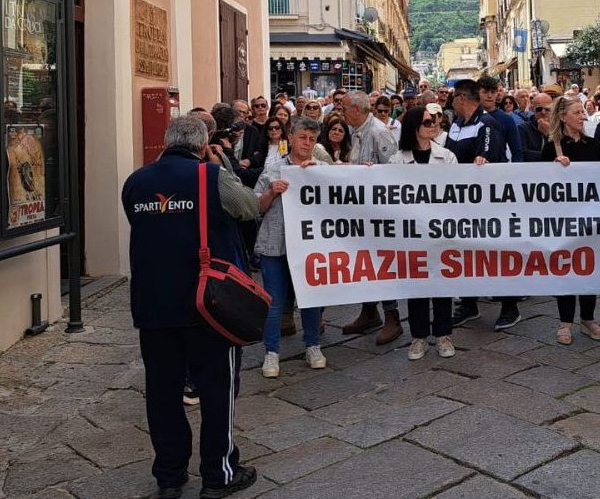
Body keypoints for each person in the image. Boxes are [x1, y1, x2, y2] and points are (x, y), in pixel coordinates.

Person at [121, 116, 259, 498]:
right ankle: (219, 474)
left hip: (152, 303)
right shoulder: (210, 177)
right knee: (217, 390)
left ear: (166, 142)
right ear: (202, 145)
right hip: (208, 304)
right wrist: (219, 166)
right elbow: (248, 209)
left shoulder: (136, 182)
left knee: (163, 392)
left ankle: (169, 475)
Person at [256, 117, 328, 375]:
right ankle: (271, 352)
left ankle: (313, 345)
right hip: (275, 245)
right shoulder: (274, 169)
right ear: (291, 138)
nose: (307, 143)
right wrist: (271, 192)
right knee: (274, 301)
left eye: (312, 139)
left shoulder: (321, 168)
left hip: (309, 246)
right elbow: (256, 207)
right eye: (302, 138)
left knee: (310, 297)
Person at [444, 79, 517, 330]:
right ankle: (468, 303)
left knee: (493, 254)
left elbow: (488, 160)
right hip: (460, 202)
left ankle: (510, 306)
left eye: (454, 96)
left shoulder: (486, 125)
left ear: (462, 98)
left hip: (485, 204)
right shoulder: (456, 124)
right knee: (466, 254)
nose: (452, 100)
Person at [390, 107, 459, 360]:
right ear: (414, 127)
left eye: (436, 120)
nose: (434, 125)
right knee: (415, 284)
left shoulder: (447, 157)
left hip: (440, 231)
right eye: (428, 122)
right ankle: (418, 337)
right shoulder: (397, 160)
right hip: (411, 233)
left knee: (442, 284)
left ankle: (443, 334)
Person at [541, 96, 600, 344]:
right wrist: (552, 167)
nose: (583, 116)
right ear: (563, 117)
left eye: (583, 112)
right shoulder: (552, 147)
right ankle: (565, 321)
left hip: (590, 218)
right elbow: (536, 183)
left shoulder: (594, 145)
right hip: (564, 220)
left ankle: (588, 318)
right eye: (577, 112)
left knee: (589, 266)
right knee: (566, 267)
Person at [337, 91, 403, 344]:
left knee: (381, 262)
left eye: (344, 108)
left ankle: (392, 317)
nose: (342, 112)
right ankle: (369, 311)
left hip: (379, 212)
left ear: (357, 109)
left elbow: (394, 169)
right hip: (361, 210)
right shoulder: (358, 131)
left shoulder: (378, 131)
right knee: (365, 261)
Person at [477, 77, 524, 161]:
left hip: (499, 169)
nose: (489, 96)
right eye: (485, 92)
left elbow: (517, 150)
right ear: (477, 93)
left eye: (493, 92)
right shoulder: (470, 117)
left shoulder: (506, 119)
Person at [517, 92, 553, 161]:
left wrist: (549, 135)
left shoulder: (559, 127)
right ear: (533, 109)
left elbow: (563, 152)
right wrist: (548, 155)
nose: (543, 112)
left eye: (547, 109)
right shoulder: (523, 129)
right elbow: (523, 154)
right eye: (539, 109)